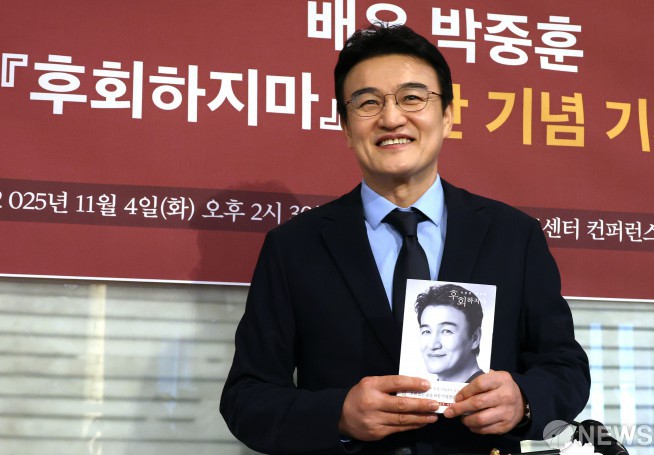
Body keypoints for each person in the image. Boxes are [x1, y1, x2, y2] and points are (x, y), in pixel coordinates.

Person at [220, 23, 590, 455]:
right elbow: (247, 397)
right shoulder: (293, 247)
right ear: (345, 127)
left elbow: (565, 367)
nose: (392, 118)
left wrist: (523, 402)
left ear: (447, 115)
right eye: (368, 102)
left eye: (412, 97)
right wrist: (338, 415)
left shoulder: (513, 236)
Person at [415, 283, 484, 383]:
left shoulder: (493, 391)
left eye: (446, 331)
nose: (432, 345)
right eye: (427, 331)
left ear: (475, 338)